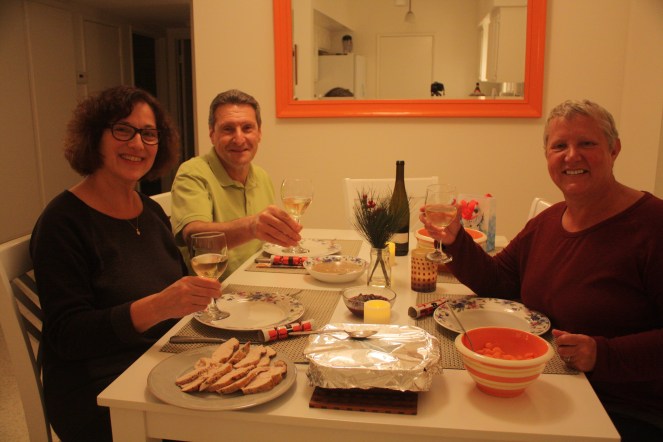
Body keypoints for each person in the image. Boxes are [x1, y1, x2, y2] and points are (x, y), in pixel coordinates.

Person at [421, 99, 663, 442]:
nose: (571, 156)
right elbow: (499, 282)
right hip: (546, 384)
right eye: (559, 146)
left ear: (614, 149)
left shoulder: (652, 225)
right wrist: (457, 240)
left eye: (587, 143)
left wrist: (604, 354)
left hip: (621, 409)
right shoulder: (548, 221)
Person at [30, 85, 222, 442]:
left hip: (161, 361)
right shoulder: (62, 222)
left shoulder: (150, 211)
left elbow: (179, 292)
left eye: (149, 134)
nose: (137, 144)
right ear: (94, 137)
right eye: (123, 130)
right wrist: (158, 306)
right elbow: (67, 335)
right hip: (99, 388)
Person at [171, 89, 301, 276]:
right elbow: (197, 239)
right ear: (212, 134)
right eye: (228, 129)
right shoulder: (192, 173)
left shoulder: (262, 176)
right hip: (214, 289)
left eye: (247, 128)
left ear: (259, 133)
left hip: (258, 281)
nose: (239, 139)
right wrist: (251, 226)